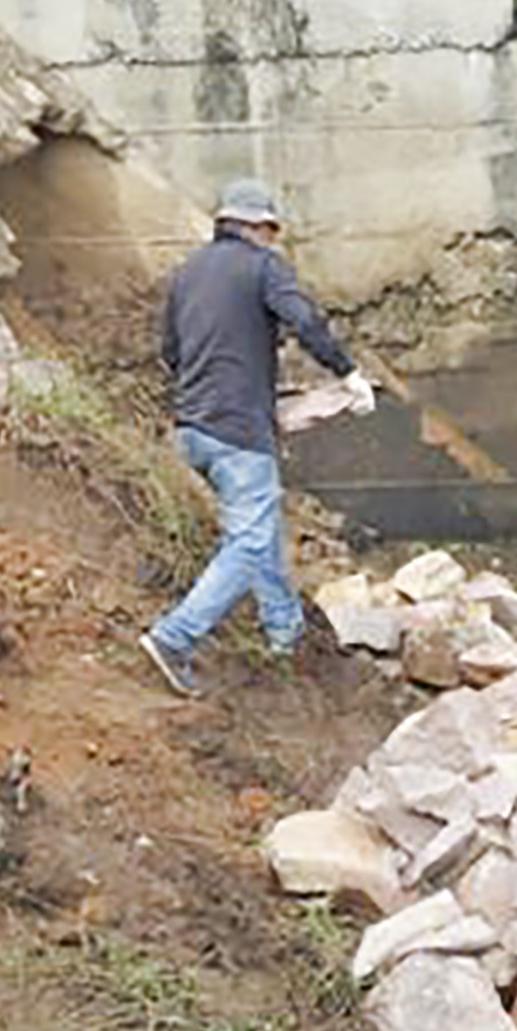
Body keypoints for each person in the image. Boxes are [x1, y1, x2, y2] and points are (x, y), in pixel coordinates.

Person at [137, 178, 372, 695]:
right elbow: (304, 320)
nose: (272, 240)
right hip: (239, 432)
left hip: (193, 429)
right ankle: (174, 638)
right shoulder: (263, 267)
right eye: (270, 231)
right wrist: (347, 373)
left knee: (260, 530)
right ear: (260, 227)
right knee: (247, 540)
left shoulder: (187, 273)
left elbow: (172, 353)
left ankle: (285, 634)